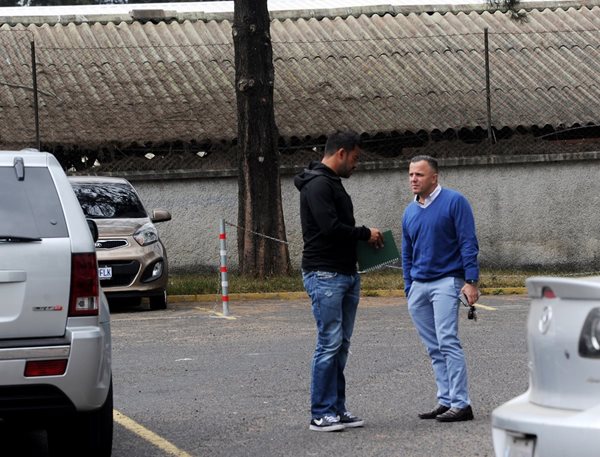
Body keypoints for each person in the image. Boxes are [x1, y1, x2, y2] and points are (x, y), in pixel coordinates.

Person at [294, 130, 383, 432]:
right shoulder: (317, 184)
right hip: (325, 274)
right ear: (341, 153)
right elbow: (330, 228)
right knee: (329, 343)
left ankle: (337, 408)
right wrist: (363, 233)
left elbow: (337, 227)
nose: (356, 165)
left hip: (345, 273)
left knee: (340, 344)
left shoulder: (331, 183)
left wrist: (362, 240)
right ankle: (320, 413)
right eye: (355, 158)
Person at [401, 155, 479, 422]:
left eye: (419, 175)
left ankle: (461, 403)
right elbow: (407, 252)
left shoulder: (455, 202)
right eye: (411, 174)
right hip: (418, 287)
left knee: (447, 341)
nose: (413, 179)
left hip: (447, 281)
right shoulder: (409, 211)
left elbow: (468, 242)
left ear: (434, 177)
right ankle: (445, 400)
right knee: (433, 347)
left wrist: (471, 281)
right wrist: (408, 287)